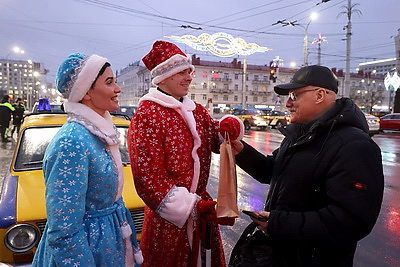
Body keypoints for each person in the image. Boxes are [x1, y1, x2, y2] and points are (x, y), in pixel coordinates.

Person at [230, 65, 384, 266]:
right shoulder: (300, 135)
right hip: (282, 255)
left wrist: (278, 223)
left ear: (320, 95)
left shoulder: (354, 146)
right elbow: (272, 170)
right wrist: (239, 151)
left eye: (294, 95)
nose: (287, 103)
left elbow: (350, 222)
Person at [128, 40, 244, 267]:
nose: (190, 77)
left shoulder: (196, 110)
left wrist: (229, 127)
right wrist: (193, 208)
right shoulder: (148, 115)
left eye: (190, 71)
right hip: (169, 221)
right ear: (164, 76)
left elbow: (214, 137)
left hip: (200, 214)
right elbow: (148, 179)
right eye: (182, 72)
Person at [32, 53, 143, 267]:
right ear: (86, 93)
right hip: (88, 250)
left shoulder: (98, 134)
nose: (118, 89)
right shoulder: (71, 143)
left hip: (108, 243)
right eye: (109, 82)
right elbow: (64, 229)